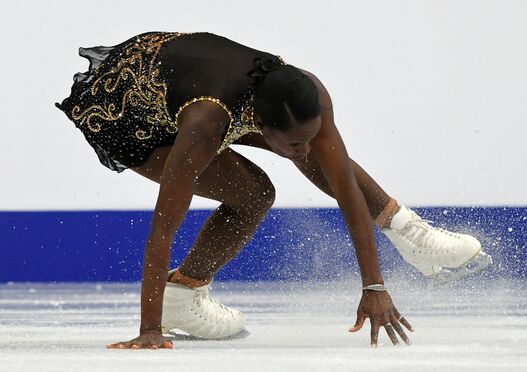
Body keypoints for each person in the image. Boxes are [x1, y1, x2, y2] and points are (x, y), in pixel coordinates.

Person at [55, 31, 492, 350]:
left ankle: (410, 234)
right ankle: (180, 297)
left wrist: (374, 286)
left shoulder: (304, 91)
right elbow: (162, 230)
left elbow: (342, 184)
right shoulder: (205, 124)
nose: (304, 151)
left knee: (316, 155)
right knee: (255, 194)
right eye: (293, 142)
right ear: (259, 127)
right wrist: (149, 329)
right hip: (130, 115)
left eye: (309, 135)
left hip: (191, 76)